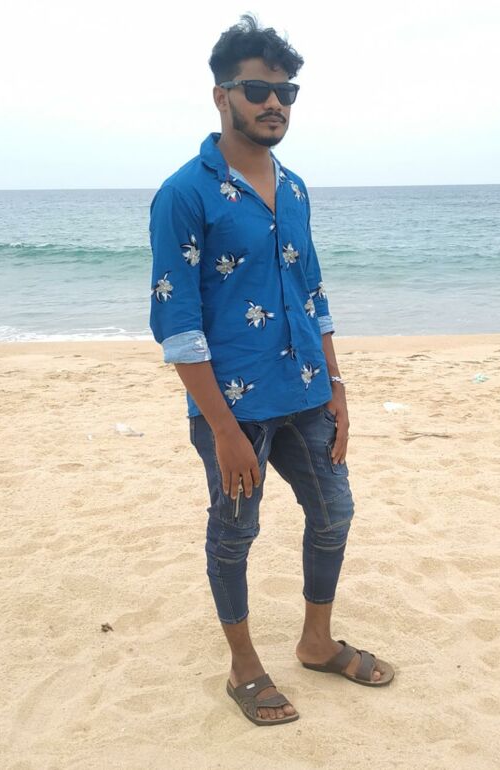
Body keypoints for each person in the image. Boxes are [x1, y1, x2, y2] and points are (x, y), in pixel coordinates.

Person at [149, 14, 394, 726]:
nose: (274, 103)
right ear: (221, 95)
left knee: (335, 513)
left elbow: (313, 293)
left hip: (308, 393)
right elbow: (177, 322)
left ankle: (316, 643)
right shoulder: (184, 194)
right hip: (234, 408)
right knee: (235, 532)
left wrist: (338, 388)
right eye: (257, 89)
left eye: (286, 91)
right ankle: (243, 666)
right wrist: (223, 431)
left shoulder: (296, 188)